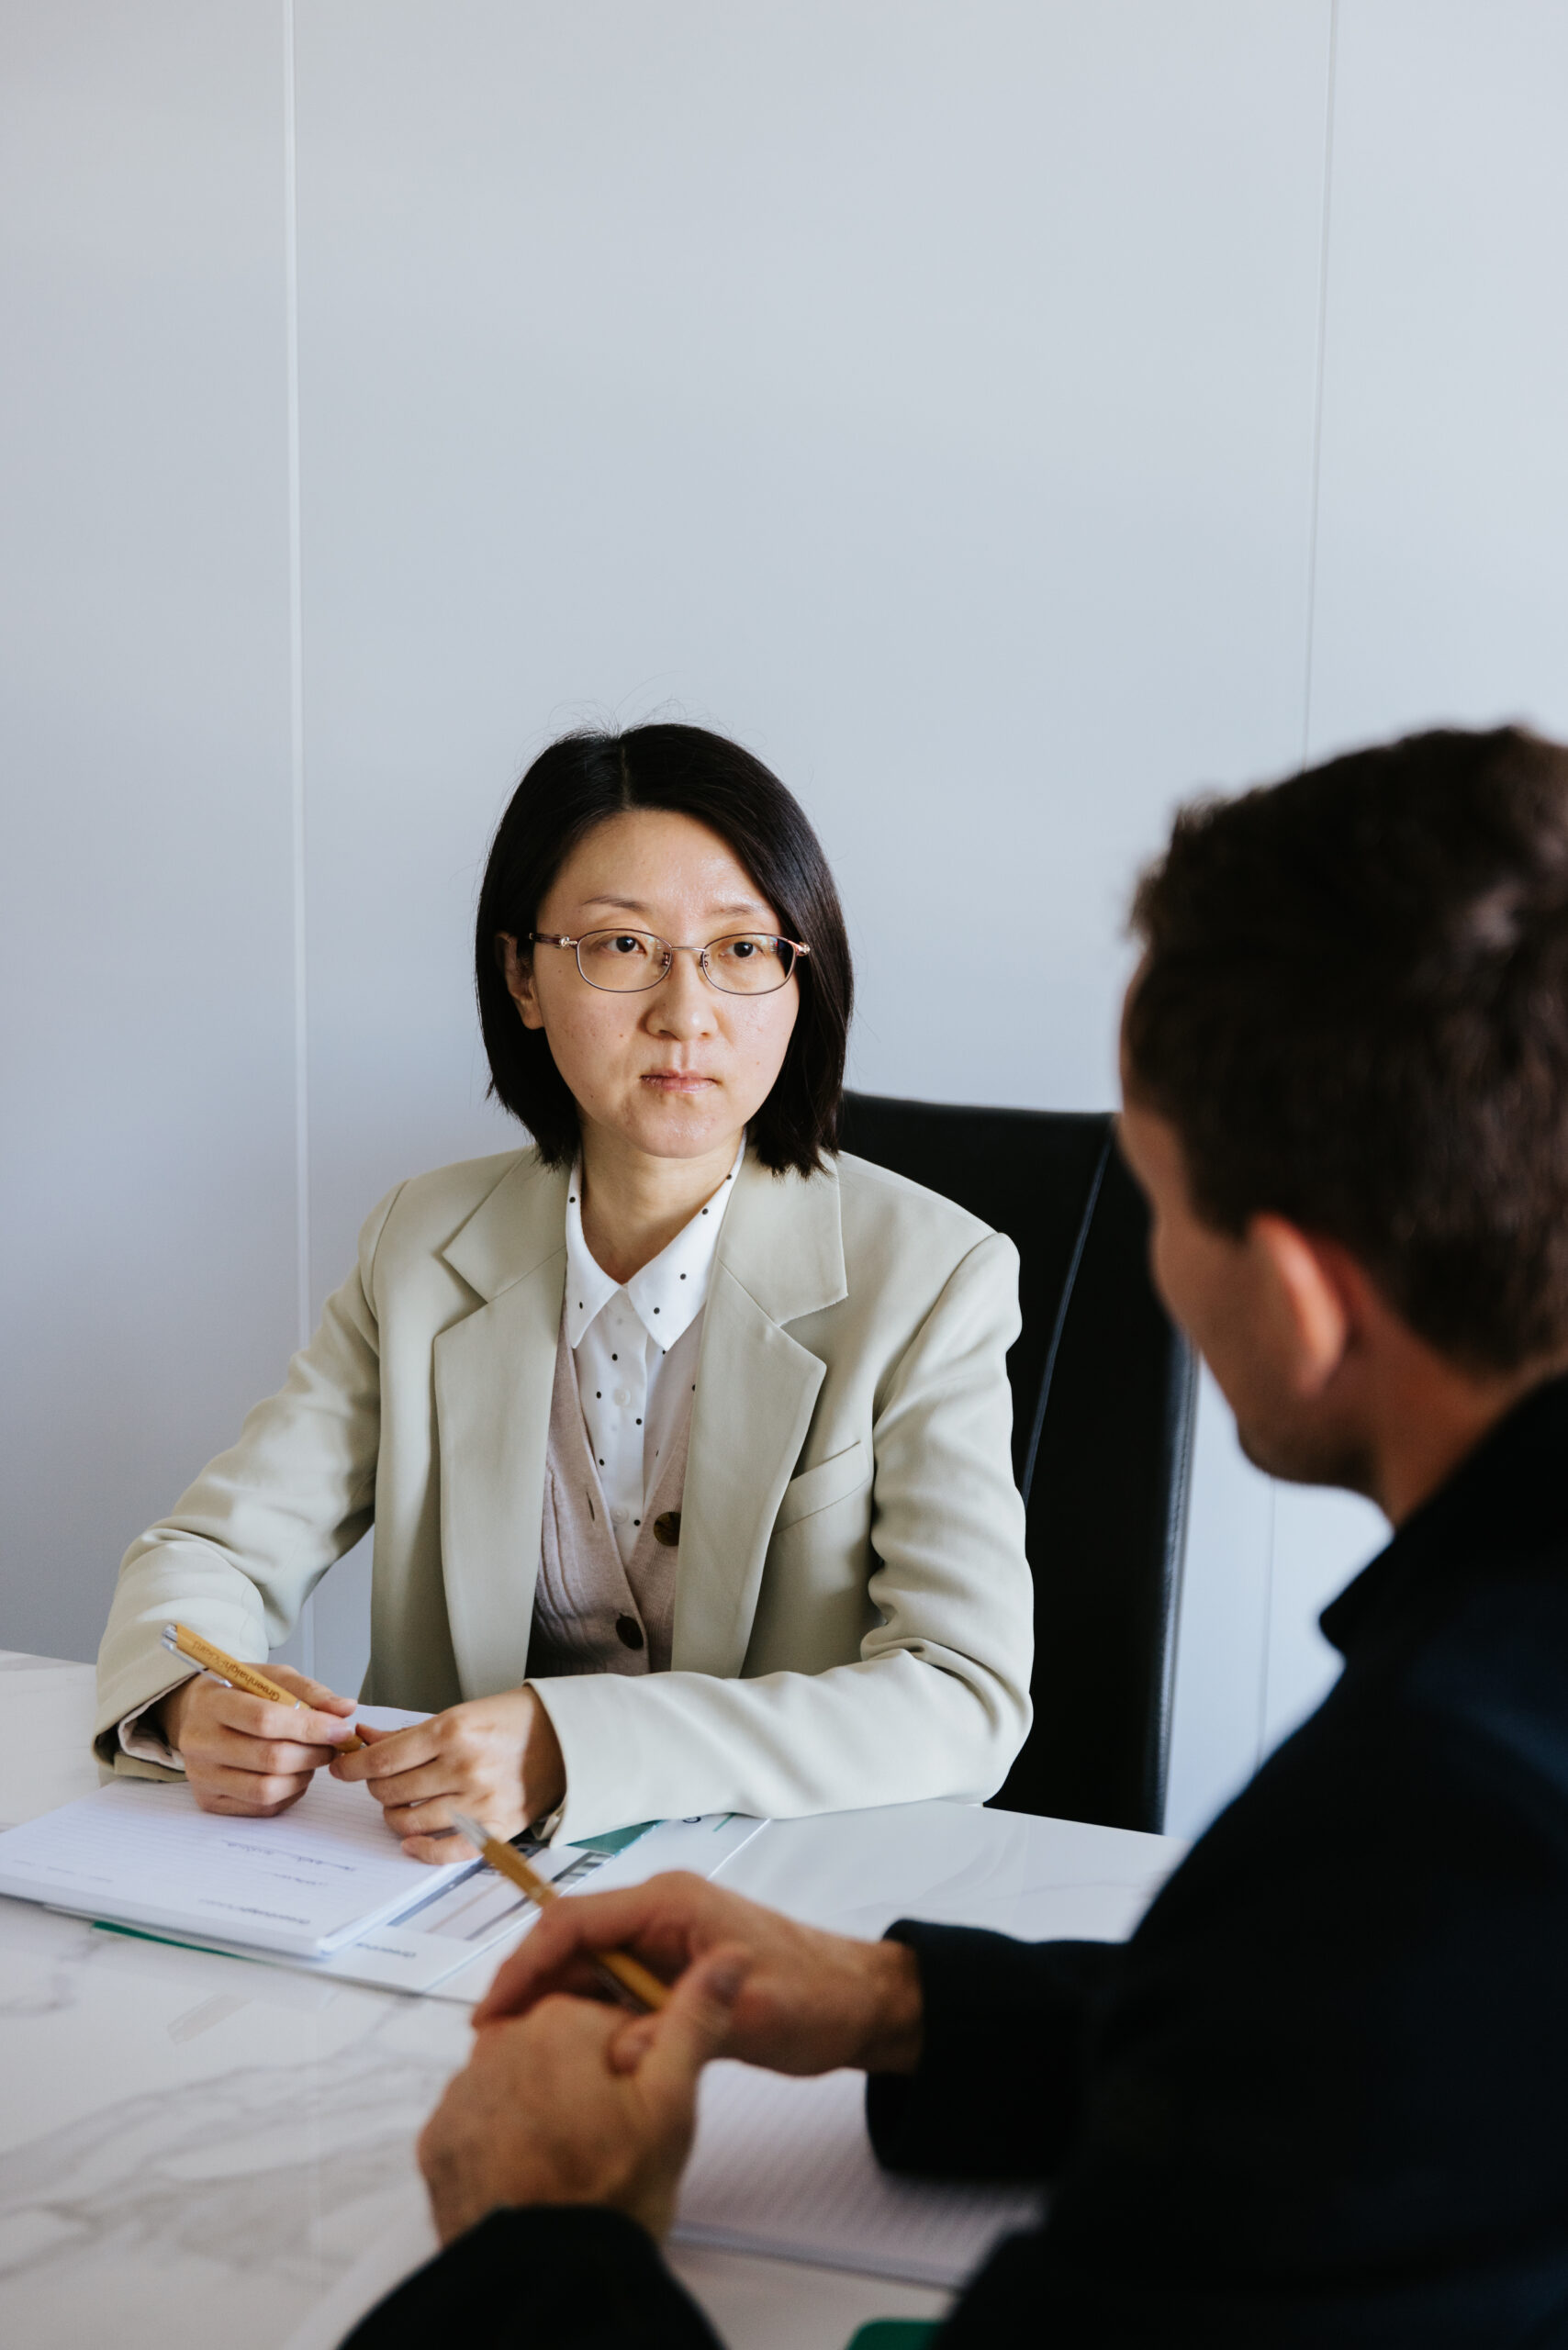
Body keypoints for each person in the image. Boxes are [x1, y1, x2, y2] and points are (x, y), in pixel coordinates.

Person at [353, 724, 1568, 2344]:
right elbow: (1342, 2042)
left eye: (1157, 1198)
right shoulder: (1450, 1807)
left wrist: (545, 2230)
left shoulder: (1428, 1828)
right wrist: (908, 2003)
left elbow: (1351, 2007)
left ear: (1290, 1296)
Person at [94, 723, 1033, 1851]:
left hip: (769, 1901)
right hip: (430, 1884)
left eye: (741, 950)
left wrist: (571, 1746)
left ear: (798, 977)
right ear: (521, 978)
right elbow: (210, 1551)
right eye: (621, 945)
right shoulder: (422, 1244)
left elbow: (963, 1694)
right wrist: (193, 1697)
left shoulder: (932, 1277)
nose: (686, 1013)